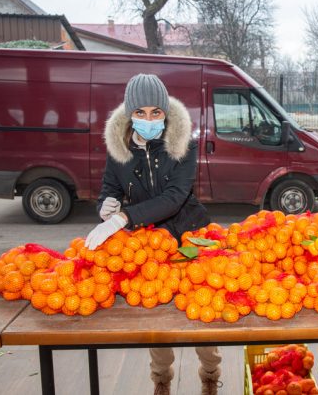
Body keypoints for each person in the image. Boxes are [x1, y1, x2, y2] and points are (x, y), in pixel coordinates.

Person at [85, 73, 221, 395]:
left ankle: (210, 374)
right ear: (130, 113)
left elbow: (175, 197)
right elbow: (109, 189)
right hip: (149, 242)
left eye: (155, 112)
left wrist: (124, 217)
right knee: (156, 312)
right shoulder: (118, 150)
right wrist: (106, 207)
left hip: (189, 236)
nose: (148, 119)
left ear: (165, 112)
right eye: (140, 112)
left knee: (201, 309)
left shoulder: (182, 145)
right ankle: (161, 379)